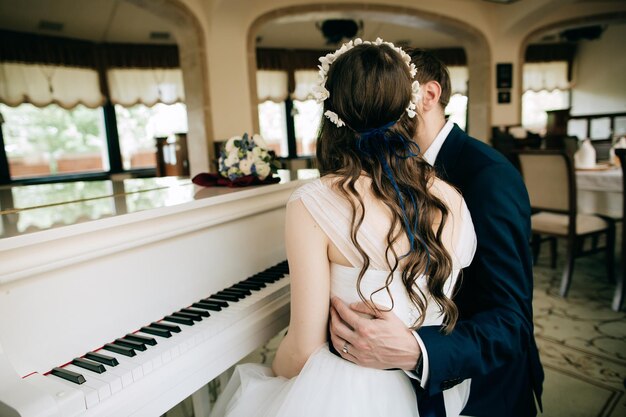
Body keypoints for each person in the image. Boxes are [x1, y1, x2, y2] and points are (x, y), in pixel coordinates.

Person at [209, 39, 476, 417]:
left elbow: (303, 351)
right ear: (409, 106)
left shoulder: (312, 202)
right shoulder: (451, 199)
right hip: (431, 389)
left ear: (332, 112)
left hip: (347, 393)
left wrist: (272, 377)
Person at [329, 49, 544, 417]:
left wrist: (417, 351)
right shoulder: (378, 173)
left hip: (479, 388)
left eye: (393, 94)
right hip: (388, 383)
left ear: (428, 96)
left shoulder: (488, 176)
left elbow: (512, 321)